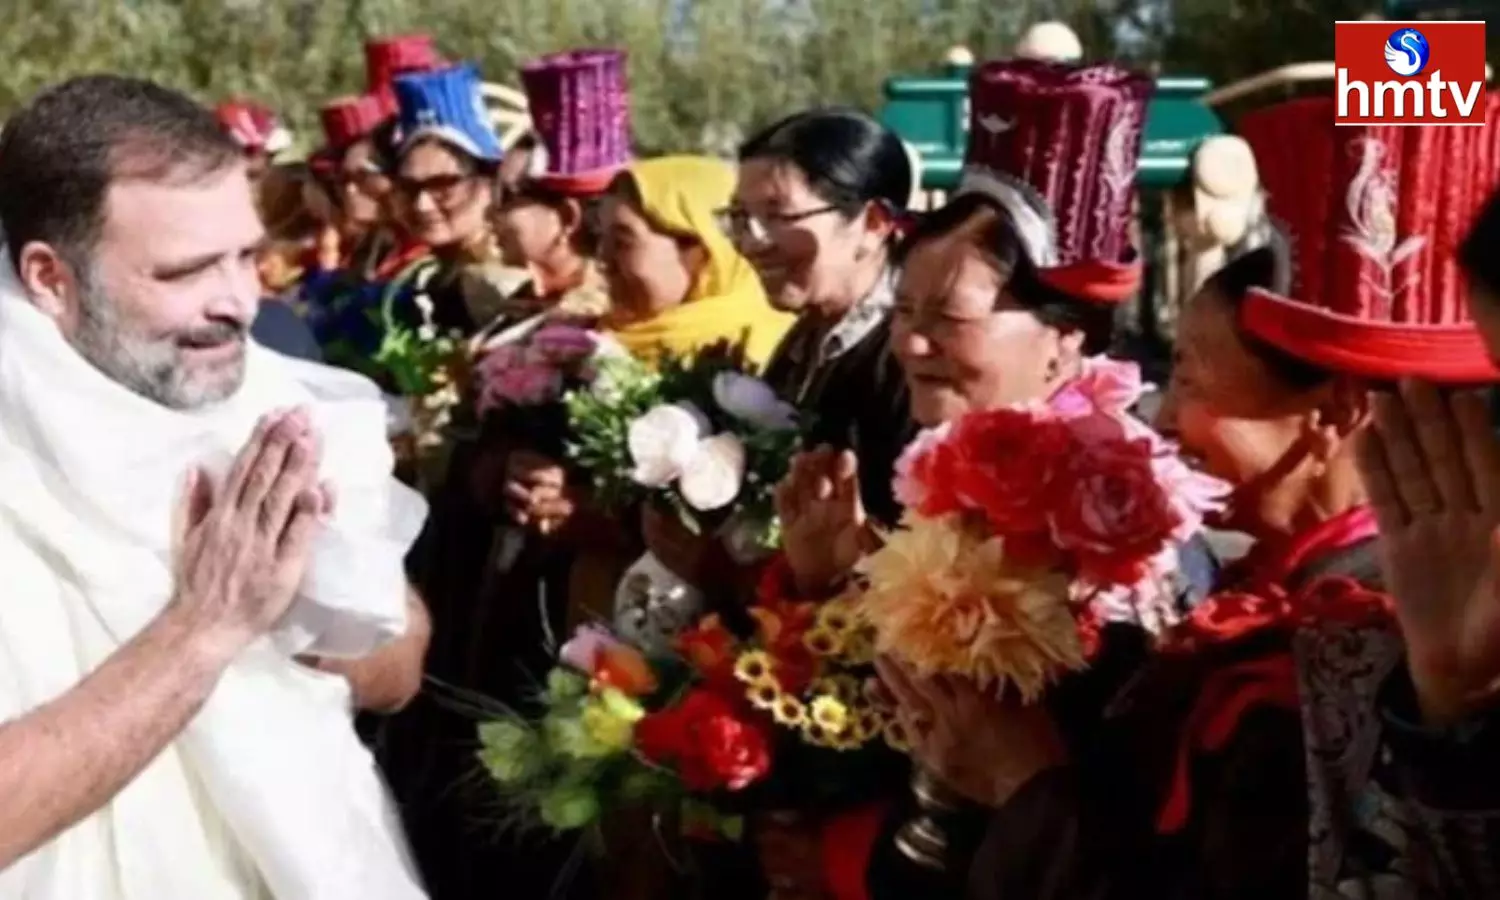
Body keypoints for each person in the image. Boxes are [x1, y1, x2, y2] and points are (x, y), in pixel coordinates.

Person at [893, 93, 1500, 898]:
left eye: (1190, 378)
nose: (1166, 417)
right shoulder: (1271, 598)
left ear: (1337, 416)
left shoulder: (1391, 630)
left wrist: (1026, 785)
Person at [0, 75, 430, 898]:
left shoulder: (279, 403)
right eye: (186, 270)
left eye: (245, 255)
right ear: (52, 279)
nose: (238, 302)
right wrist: (205, 627)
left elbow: (399, 668)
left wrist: (324, 601)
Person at [727, 107, 915, 527]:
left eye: (778, 216)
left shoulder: (912, 355)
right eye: (741, 218)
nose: (751, 244)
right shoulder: (804, 339)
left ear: (872, 223)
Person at [477, 48, 630, 332]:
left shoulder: (604, 319)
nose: (490, 213)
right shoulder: (516, 304)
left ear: (567, 217)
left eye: (506, 198)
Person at [214, 99, 291, 183]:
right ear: (264, 165)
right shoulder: (274, 141)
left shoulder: (243, 145)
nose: (253, 161)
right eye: (257, 165)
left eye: (251, 164)